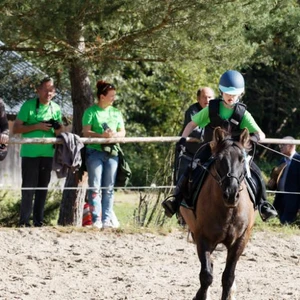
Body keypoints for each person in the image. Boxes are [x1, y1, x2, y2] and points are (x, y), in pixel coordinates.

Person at [162, 70, 278, 222]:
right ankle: (176, 200)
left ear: (240, 94)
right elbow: (191, 124)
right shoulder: (211, 109)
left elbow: (261, 134)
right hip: (211, 150)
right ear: (221, 92)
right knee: (192, 167)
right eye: (227, 93)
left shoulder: (242, 113)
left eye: (234, 94)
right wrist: (182, 140)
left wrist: (252, 138)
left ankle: (263, 204)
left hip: (235, 155)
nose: (231, 97)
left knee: (255, 171)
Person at [13, 77, 63, 227]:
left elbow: (60, 133)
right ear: (38, 90)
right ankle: (24, 222)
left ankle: (38, 221)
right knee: (28, 188)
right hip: (30, 154)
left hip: (48, 154)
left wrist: (57, 127)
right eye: (46, 89)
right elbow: (16, 129)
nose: (49, 93)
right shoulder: (28, 106)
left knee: (42, 188)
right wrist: (37, 126)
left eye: (52, 90)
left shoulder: (56, 108)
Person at [82, 80, 125, 229]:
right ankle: (96, 220)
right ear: (102, 96)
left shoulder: (116, 112)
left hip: (112, 152)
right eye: (111, 96)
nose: (114, 98)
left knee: (109, 187)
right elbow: (86, 131)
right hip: (94, 151)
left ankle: (107, 220)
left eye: (114, 96)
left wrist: (115, 136)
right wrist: (101, 135)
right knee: (94, 186)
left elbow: (123, 132)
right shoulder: (90, 112)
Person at [174, 87, 215, 184]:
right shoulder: (192, 111)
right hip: (188, 154)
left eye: (210, 97)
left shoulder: (215, 110)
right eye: (204, 97)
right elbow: (195, 130)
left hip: (205, 155)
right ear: (198, 99)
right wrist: (212, 133)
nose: (207, 100)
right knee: (182, 182)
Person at [272, 137, 300, 224]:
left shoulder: (298, 160)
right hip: (280, 198)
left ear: (291, 146)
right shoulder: (282, 160)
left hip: (293, 200)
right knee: (273, 221)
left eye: (283, 145)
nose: (280, 147)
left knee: (285, 223)